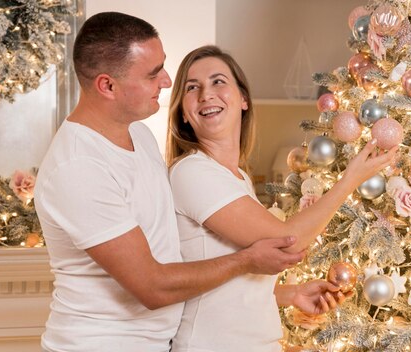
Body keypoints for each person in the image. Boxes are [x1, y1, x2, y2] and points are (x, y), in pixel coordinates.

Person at [34, 13, 307, 352]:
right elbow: (152, 287)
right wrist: (246, 260)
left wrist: (283, 294)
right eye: (152, 74)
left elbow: (183, 258)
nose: (166, 81)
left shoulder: (139, 134)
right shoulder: (78, 167)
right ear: (107, 86)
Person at [166, 45, 398, 352]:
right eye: (192, 88)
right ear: (183, 110)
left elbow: (228, 284)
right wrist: (350, 180)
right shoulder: (192, 171)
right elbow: (288, 239)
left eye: (218, 81)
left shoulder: (237, 177)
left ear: (243, 99)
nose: (206, 94)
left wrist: (291, 294)